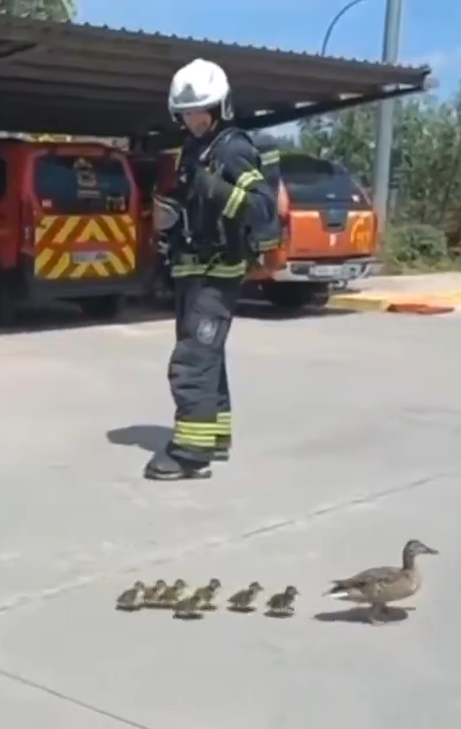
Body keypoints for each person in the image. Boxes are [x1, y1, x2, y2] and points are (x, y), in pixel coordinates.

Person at [144, 58, 279, 481]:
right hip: (194, 268)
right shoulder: (195, 147)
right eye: (184, 112)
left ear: (219, 108)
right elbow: (197, 202)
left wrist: (213, 188)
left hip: (218, 273)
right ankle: (215, 439)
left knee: (193, 360)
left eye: (199, 111)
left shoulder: (233, 148)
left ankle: (190, 455)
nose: (191, 119)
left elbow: (261, 208)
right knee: (209, 357)